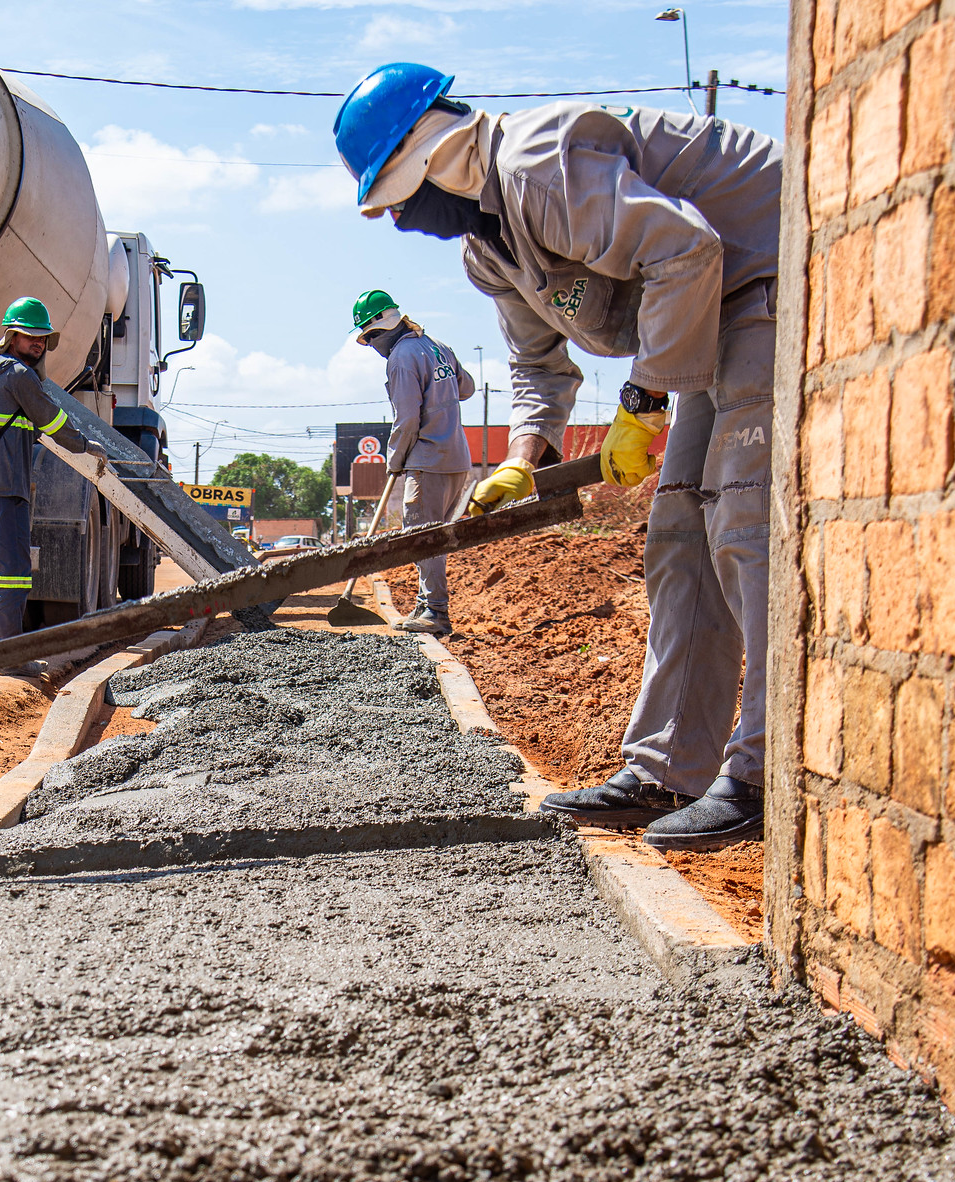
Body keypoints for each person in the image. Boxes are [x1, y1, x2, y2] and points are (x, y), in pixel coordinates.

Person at [335, 63, 781, 850]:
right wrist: (522, 456)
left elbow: (687, 250)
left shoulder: (536, 166)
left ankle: (766, 768)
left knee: (742, 521)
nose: (400, 220)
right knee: (678, 543)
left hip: (764, 272)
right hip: (711, 313)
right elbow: (538, 366)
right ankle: (666, 768)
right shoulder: (488, 249)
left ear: (426, 155)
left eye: (394, 201)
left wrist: (641, 403)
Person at [0, 296, 103, 641]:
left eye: (42, 337)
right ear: (11, 336)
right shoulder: (19, 375)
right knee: (13, 574)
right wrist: (85, 445)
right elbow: (53, 419)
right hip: (6, 487)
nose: (37, 342)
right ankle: (8, 655)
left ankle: (4, 648)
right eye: (29, 335)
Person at [351, 289, 475, 636]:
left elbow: (405, 419)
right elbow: (467, 388)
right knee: (432, 538)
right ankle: (427, 604)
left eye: (370, 336)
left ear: (378, 330)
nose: (372, 343)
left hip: (428, 459)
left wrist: (395, 460)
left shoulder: (402, 357)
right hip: (457, 457)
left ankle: (434, 611)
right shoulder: (437, 346)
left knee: (423, 538)